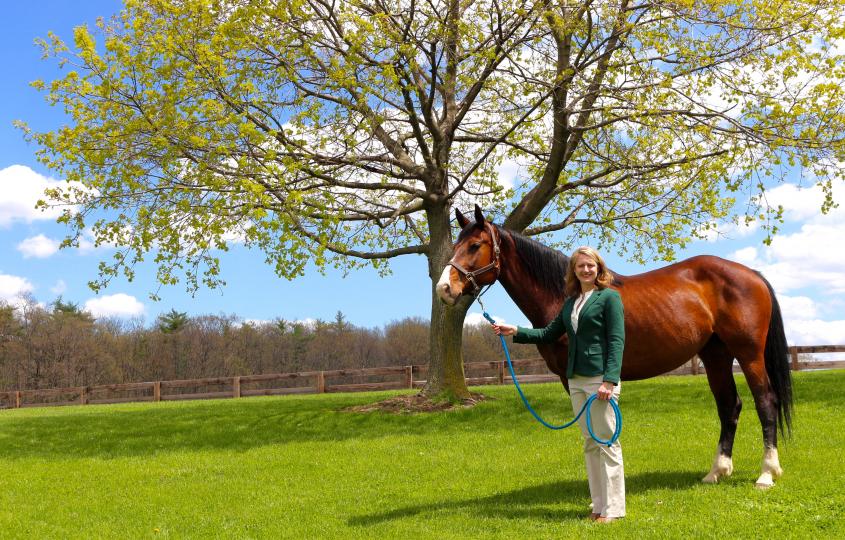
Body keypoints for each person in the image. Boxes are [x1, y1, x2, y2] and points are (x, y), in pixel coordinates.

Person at [492, 246, 625, 523]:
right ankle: (598, 505)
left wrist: (610, 380)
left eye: (591, 265)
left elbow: (616, 340)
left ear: (599, 268)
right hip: (575, 379)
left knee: (607, 443)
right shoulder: (571, 302)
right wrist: (514, 330)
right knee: (590, 443)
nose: (586, 270)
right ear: (574, 271)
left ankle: (615, 509)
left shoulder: (609, 298)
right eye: (581, 267)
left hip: (600, 380)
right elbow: (549, 332)